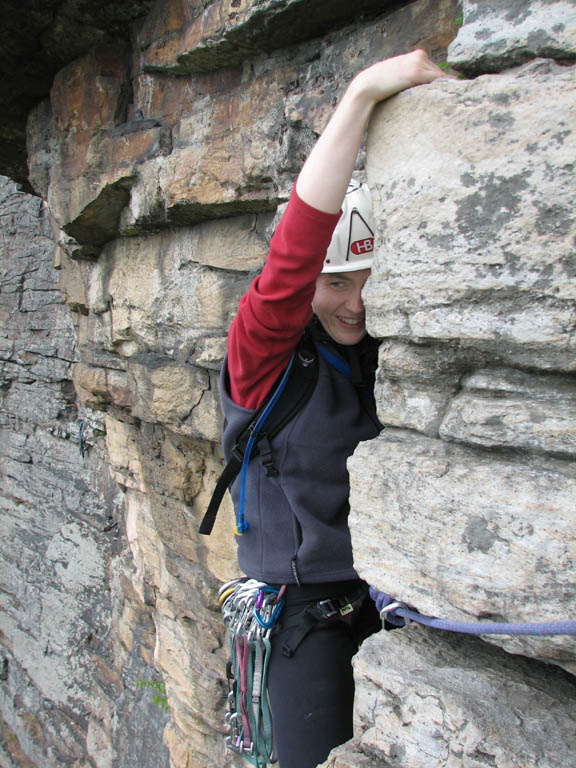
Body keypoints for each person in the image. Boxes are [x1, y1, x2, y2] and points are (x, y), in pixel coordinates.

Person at [220, 50, 444, 768]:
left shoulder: (379, 343)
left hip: (390, 597)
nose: (356, 303)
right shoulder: (264, 356)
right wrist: (360, 98)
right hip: (300, 615)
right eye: (337, 283)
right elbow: (294, 258)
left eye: (369, 282)